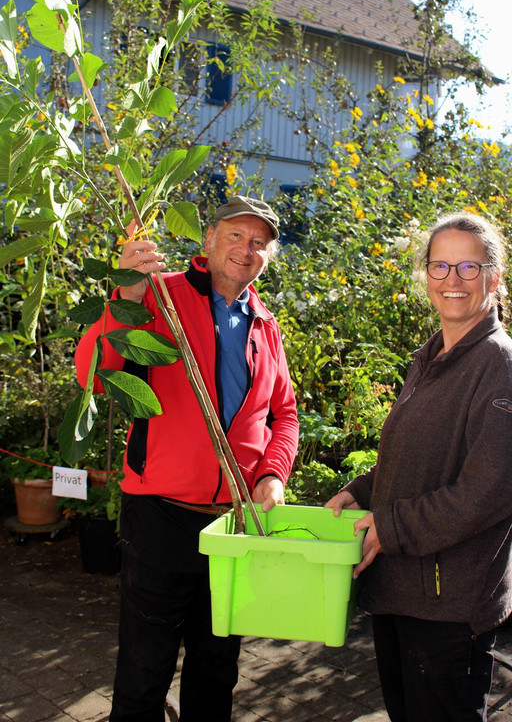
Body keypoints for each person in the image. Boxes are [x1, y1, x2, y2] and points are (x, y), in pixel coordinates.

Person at [75, 195, 299, 722]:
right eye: (236, 235)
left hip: (233, 525)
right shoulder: (159, 296)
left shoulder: (265, 325)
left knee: (217, 668)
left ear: (268, 256)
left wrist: (273, 473)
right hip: (161, 515)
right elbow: (93, 374)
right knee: (144, 670)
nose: (246, 249)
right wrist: (125, 296)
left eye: (259, 242)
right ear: (209, 239)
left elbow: (284, 414)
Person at [326, 212, 512, 722]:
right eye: (440, 266)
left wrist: (389, 527)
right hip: (404, 591)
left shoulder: (499, 365)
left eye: (469, 267)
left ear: (494, 278)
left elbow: (489, 490)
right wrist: (362, 492)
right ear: (426, 274)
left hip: (449, 606)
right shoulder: (433, 356)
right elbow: (418, 457)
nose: (453, 280)